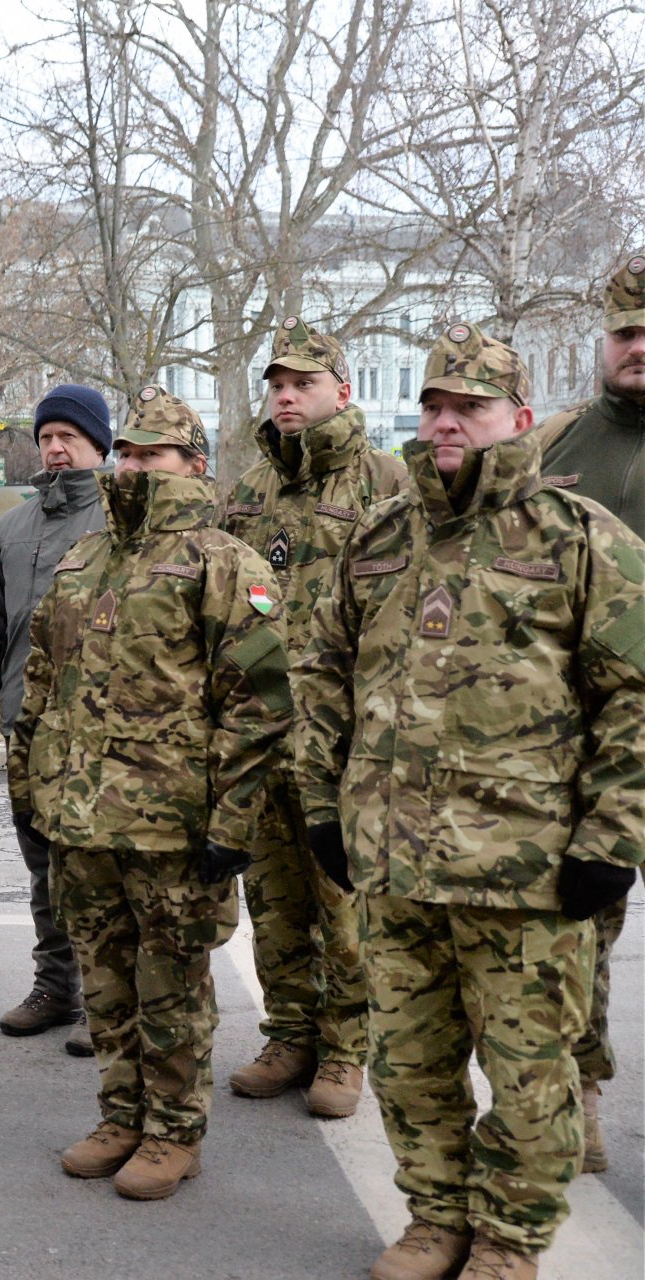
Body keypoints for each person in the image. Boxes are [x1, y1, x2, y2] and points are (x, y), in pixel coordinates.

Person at [294, 323, 645, 1280]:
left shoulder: (581, 539)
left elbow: (634, 695)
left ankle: (509, 1239)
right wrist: (325, 810)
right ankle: (436, 1216)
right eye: (436, 406)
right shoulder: (377, 540)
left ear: (519, 420)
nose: (448, 423)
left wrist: (612, 837)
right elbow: (320, 677)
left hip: (529, 871)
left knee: (531, 1078)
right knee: (410, 1063)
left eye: (472, 408)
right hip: (394, 862)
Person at [9, 387, 290, 1201]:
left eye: (152, 455)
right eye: (126, 453)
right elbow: (43, 686)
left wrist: (233, 820)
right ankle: (120, 1114)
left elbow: (262, 700)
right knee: (104, 983)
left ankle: (173, 1132)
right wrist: (30, 787)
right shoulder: (84, 559)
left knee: (170, 987)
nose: (134, 467)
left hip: (173, 829)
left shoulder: (222, 561)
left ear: (195, 466)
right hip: (81, 820)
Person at [220, 318, 409, 1120]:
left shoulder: (385, 481)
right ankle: (290, 1030)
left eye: (303, 383)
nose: (287, 396)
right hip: (263, 732)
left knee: (342, 899)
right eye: (277, 383)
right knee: (274, 896)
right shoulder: (252, 487)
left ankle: (344, 1048)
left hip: (343, 737)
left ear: (344, 391)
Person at [527, 251, 645, 1177]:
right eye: (627, 333)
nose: (640, 348)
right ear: (603, 342)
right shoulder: (555, 446)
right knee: (580, 926)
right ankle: (580, 1094)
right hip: (585, 733)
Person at [0, 384, 110, 1059]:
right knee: (41, 863)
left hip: (99, 731)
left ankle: (106, 1001)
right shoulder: (13, 528)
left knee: (93, 868)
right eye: (46, 436)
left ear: (98, 445)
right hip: (28, 724)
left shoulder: (117, 521)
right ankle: (57, 986)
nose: (54, 447)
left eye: (68, 437)